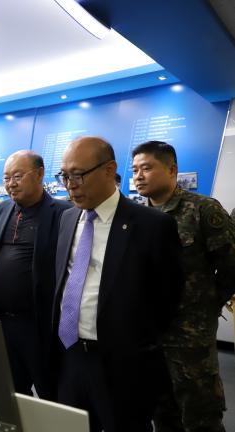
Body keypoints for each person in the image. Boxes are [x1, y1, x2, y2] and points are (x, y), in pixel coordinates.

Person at [53, 136, 183, 432]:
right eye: (64, 175)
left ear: (109, 170)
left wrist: (134, 342)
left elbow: (168, 298)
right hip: (70, 355)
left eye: (78, 174)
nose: (70, 184)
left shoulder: (151, 225)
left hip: (123, 365)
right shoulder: (67, 218)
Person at [132, 141, 235, 432]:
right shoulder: (136, 217)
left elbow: (230, 266)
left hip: (190, 334)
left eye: (147, 168)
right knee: (162, 411)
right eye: (135, 169)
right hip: (150, 332)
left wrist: (206, 305)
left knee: (200, 412)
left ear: (172, 169)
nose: (139, 176)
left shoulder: (202, 210)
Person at [0, 150, 71, 399]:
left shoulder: (63, 213)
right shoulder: (1, 210)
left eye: (18, 176)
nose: (11, 183)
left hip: (40, 326)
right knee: (11, 394)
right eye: (7, 177)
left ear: (40, 174)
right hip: (2, 324)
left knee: (51, 396)